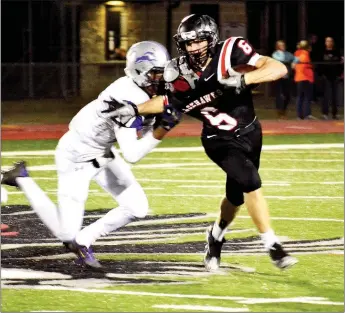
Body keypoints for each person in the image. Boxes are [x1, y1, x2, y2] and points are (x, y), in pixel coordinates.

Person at [109, 14, 298, 271]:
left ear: (211, 38)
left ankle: (215, 237)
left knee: (236, 197)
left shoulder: (230, 51)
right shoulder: (177, 72)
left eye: (198, 41)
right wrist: (134, 109)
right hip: (217, 139)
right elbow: (165, 103)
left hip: (251, 132)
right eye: (188, 43)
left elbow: (279, 68)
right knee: (250, 182)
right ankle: (273, 245)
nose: (193, 47)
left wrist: (243, 79)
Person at [1, 41, 181, 268]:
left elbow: (168, 101)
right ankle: (21, 177)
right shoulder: (126, 98)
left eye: (162, 72)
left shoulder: (144, 91)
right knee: (66, 235)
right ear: (140, 72)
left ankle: (85, 240)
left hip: (102, 153)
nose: (161, 78)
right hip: (76, 155)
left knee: (137, 207)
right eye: (155, 73)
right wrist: (162, 130)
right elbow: (132, 154)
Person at [272, 40, 297, 119]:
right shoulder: (275, 54)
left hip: (286, 76)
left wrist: (294, 62)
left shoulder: (288, 54)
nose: (282, 46)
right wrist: (289, 61)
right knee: (279, 95)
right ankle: (280, 112)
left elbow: (296, 58)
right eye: (280, 45)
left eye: (283, 45)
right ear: (278, 46)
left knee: (287, 95)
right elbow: (280, 60)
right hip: (278, 77)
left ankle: (284, 110)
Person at [319, 37, 342, 120]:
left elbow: (340, 64)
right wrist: (321, 74)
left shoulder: (337, 52)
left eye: (331, 41)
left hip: (335, 77)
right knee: (326, 96)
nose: (329, 42)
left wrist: (340, 74)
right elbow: (319, 65)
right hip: (325, 77)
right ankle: (325, 113)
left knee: (334, 96)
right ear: (325, 43)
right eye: (327, 41)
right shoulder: (322, 52)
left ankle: (334, 114)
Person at [293, 40, 316, 120]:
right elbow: (303, 64)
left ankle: (300, 115)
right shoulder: (303, 53)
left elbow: (295, 64)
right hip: (305, 77)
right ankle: (306, 114)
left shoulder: (297, 53)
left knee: (301, 96)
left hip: (301, 77)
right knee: (305, 96)